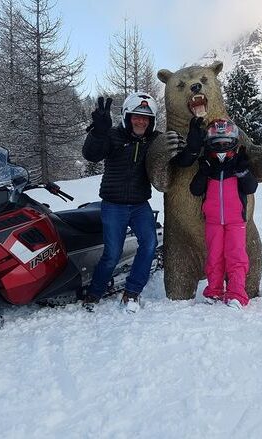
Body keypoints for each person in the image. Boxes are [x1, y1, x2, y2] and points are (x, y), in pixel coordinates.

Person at [82, 92, 160, 313]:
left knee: (149, 245)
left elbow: (173, 154)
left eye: (146, 118)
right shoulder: (113, 135)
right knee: (112, 253)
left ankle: (132, 292)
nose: (140, 121)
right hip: (113, 205)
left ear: (151, 121)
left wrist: (190, 144)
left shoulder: (154, 140)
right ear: (127, 116)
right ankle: (95, 292)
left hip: (139, 205)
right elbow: (91, 155)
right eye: (136, 116)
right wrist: (98, 132)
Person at [179, 117, 258, 309]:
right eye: (218, 141)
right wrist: (203, 172)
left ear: (233, 141)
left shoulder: (239, 161)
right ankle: (214, 291)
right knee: (214, 256)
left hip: (235, 220)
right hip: (213, 220)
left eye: (225, 141)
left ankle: (237, 294)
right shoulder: (207, 163)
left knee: (236, 256)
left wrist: (243, 172)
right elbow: (195, 190)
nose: (222, 145)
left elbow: (250, 188)